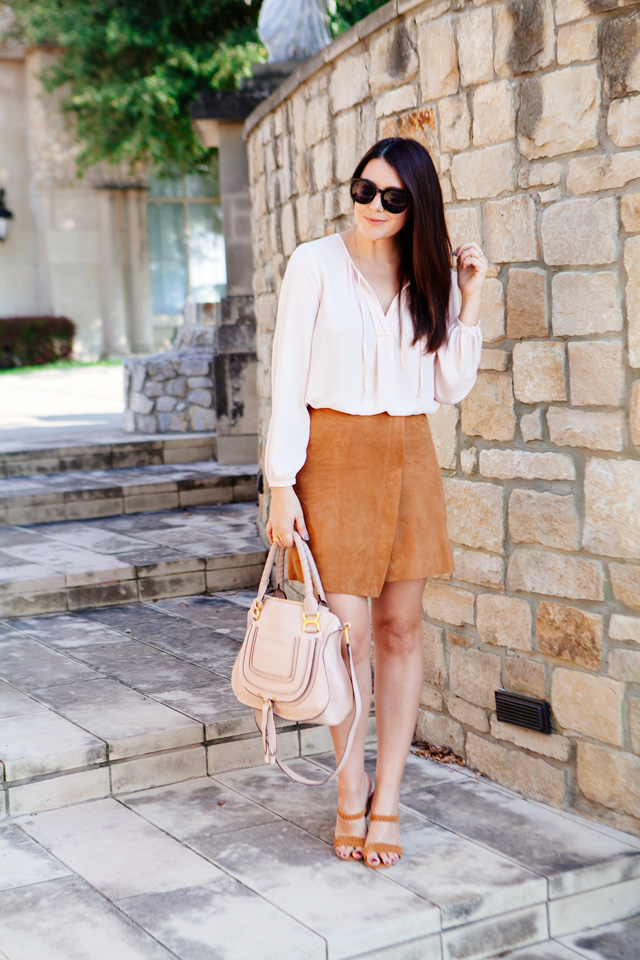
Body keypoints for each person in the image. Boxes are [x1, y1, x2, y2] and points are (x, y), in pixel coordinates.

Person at [264, 137, 487, 868]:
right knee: (347, 639)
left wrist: (470, 296)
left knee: (399, 631)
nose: (374, 207)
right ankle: (349, 792)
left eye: (393, 198)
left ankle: (387, 797)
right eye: (365, 190)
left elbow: (450, 384)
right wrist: (278, 484)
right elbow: (288, 381)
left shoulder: (429, 276)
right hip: (331, 457)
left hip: (409, 453)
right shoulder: (314, 264)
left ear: (415, 205)